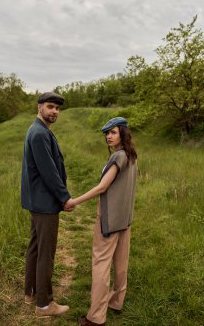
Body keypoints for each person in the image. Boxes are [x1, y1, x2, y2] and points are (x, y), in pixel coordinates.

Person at [65, 117, 138, 326]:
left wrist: (74, 201)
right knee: (121, 263)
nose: (108, 136)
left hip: (110, 220)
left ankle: (95, 318)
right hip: (125, 219)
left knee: (100, 265)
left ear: (122, 133)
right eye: (106, 133)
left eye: (113, 132)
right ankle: (116, 302)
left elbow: (102, 187)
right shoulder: (131, 155)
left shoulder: (118, 157)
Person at [21, 91, 72, 318]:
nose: (54, 111)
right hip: (45, 203)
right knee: (45, 253)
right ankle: (44, 304)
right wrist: (64, 197)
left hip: (37, 202)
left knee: (35, 248)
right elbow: (49, 172)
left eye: (57, 108)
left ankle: (30, 292)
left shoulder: (38, 130)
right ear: (39, 106)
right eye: (50, 106)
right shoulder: (39, 134)